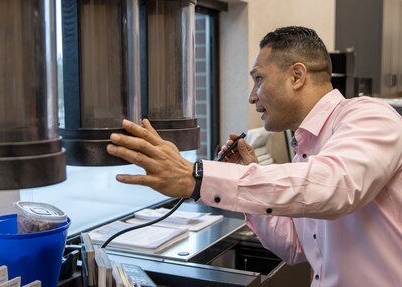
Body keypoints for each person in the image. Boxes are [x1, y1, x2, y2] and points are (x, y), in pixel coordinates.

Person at [106, 26, 402, 286]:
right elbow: (295, 248)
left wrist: (198, 178)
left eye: (259, 79)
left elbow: (338, 186)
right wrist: (250, 173)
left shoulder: (370, 116)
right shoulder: (304, 152)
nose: (252, 96)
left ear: (297, 76)